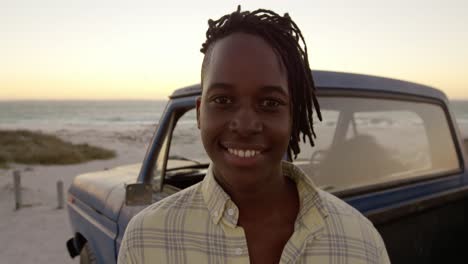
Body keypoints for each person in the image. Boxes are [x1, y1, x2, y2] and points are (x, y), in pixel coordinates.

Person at [118, 6, 390, 264]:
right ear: (200, 113)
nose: (245, 125)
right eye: (223, 100)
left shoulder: (361, 243)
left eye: (270, 103)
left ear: (292, 116)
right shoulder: (146, 240)